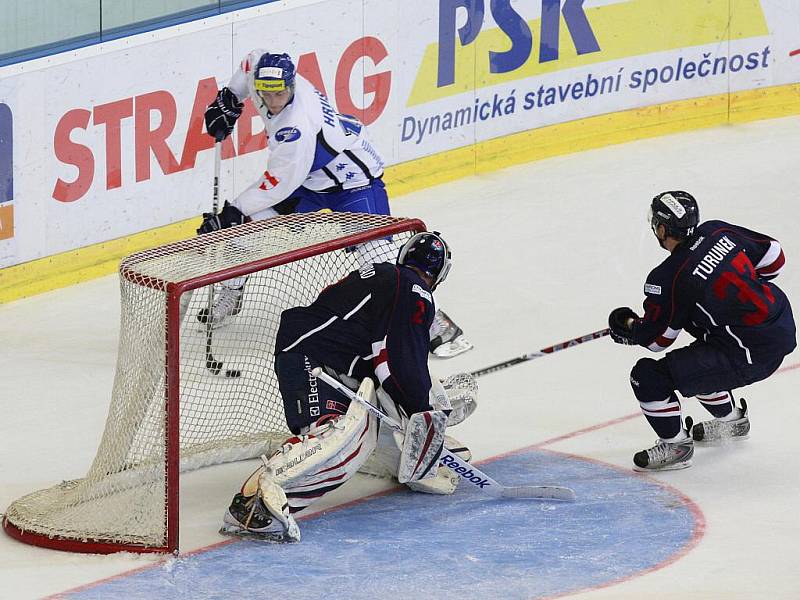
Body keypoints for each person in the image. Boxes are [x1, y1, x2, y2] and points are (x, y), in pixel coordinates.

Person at [198, 49, 471, 357]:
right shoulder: (266, 77)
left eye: (281, 93)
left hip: (353, 183)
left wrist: (232, 211)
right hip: (310, 180)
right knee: (249, 228)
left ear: (292, 85)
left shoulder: (296, 126)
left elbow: (278, 183)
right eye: (266, 93)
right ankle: (232, 291)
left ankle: (434, 321)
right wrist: (231, 98)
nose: (274, 101)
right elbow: (251, 61)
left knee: (379, 261)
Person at [219, 231, 476, 542]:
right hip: (313, 358)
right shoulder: (412, 289)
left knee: (362, 436)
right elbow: (396, 359)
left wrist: (424, 419)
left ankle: (409, 454)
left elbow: (391, 363)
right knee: (338, 435)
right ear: (440, 274)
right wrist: (422, 409)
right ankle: (252, 505)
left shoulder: (390, 280)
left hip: (336, 364)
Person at [608, 191, 795, 471]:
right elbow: (775, 258)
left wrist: (632, 328)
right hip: (781, 324)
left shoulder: (667, 277)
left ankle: (676, 446)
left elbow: (658, 340)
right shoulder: (717, 231)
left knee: (647, 377)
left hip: (747, 353)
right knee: (699, 363)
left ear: (662, 229)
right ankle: (733, 422)